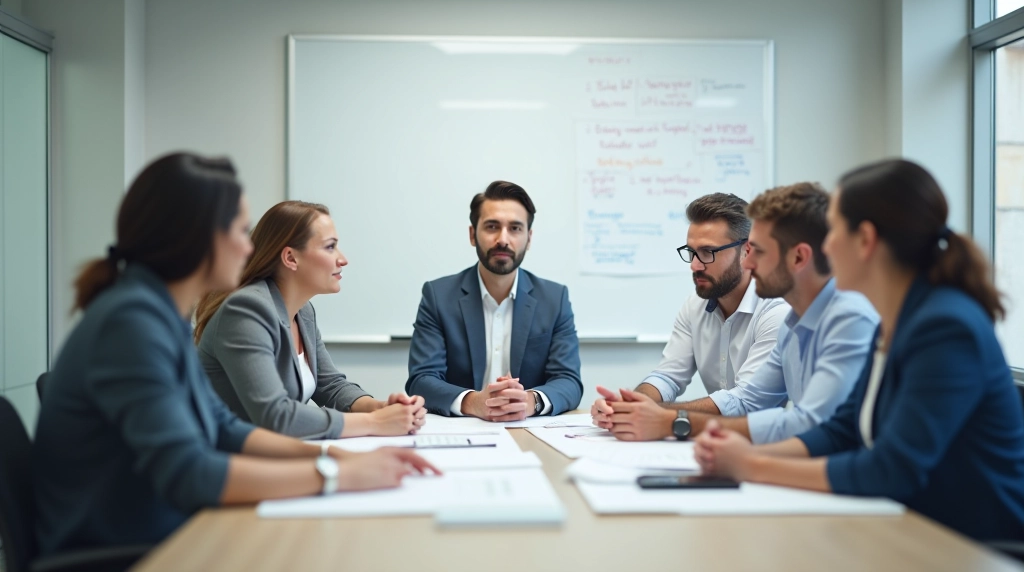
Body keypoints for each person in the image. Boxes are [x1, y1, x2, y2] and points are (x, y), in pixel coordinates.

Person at [33, 154, 437, 556]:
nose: (249, 247)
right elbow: (190, 472)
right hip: (126, 546)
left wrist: (340, 460)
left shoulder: (159, 316)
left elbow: (223, 426)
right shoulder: (131, 325)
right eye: (241, 231)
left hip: (162, 525)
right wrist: (333, 473)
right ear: (197, 238)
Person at [694, 159, 1024, 542]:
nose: (826, 246)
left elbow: (892, 468)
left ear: (865, 240)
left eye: (834, 231)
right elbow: (842, 430)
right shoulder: (898, 319)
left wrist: (753, 466)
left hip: (974, 546)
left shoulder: (945, 326)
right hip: (915, 529)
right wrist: (745, 456)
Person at [596, 183, 878, 444]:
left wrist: (669, 420)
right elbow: (757, 407)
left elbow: (810, 427)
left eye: (759, 251)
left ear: (799, 257)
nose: (750, 262)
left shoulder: (845, 317)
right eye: (691, 252)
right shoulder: (793, 322)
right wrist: (637, 408)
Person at [194, 201, 425, 439]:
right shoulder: (245, 310)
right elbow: (276, 416)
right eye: (330, 247)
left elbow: (330, 385)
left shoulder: (303, 311)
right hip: (226, 462)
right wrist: (374, 422)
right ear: (291, 258)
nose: (342, 259)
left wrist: (380, 408)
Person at [590, 193, 789, 432]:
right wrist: (629, 403)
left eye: (708, 252)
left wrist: (649, 412)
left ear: (747, 251)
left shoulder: (777, 310)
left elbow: (745, 402)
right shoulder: (695, 306)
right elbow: (668, 376)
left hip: (767, 447)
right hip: (715, 442)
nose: (695, 265)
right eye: (691, 252)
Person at [406, 180, 582, 420]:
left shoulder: (554, 298)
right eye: (492, 226)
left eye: (515, 228)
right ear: (472, 234)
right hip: (462, 432)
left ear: (528, 239)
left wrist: (530, 401)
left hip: (529, 430)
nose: (503, 239)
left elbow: (569, 380)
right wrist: (473, 402)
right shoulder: (438, 296)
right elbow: (421, 380)